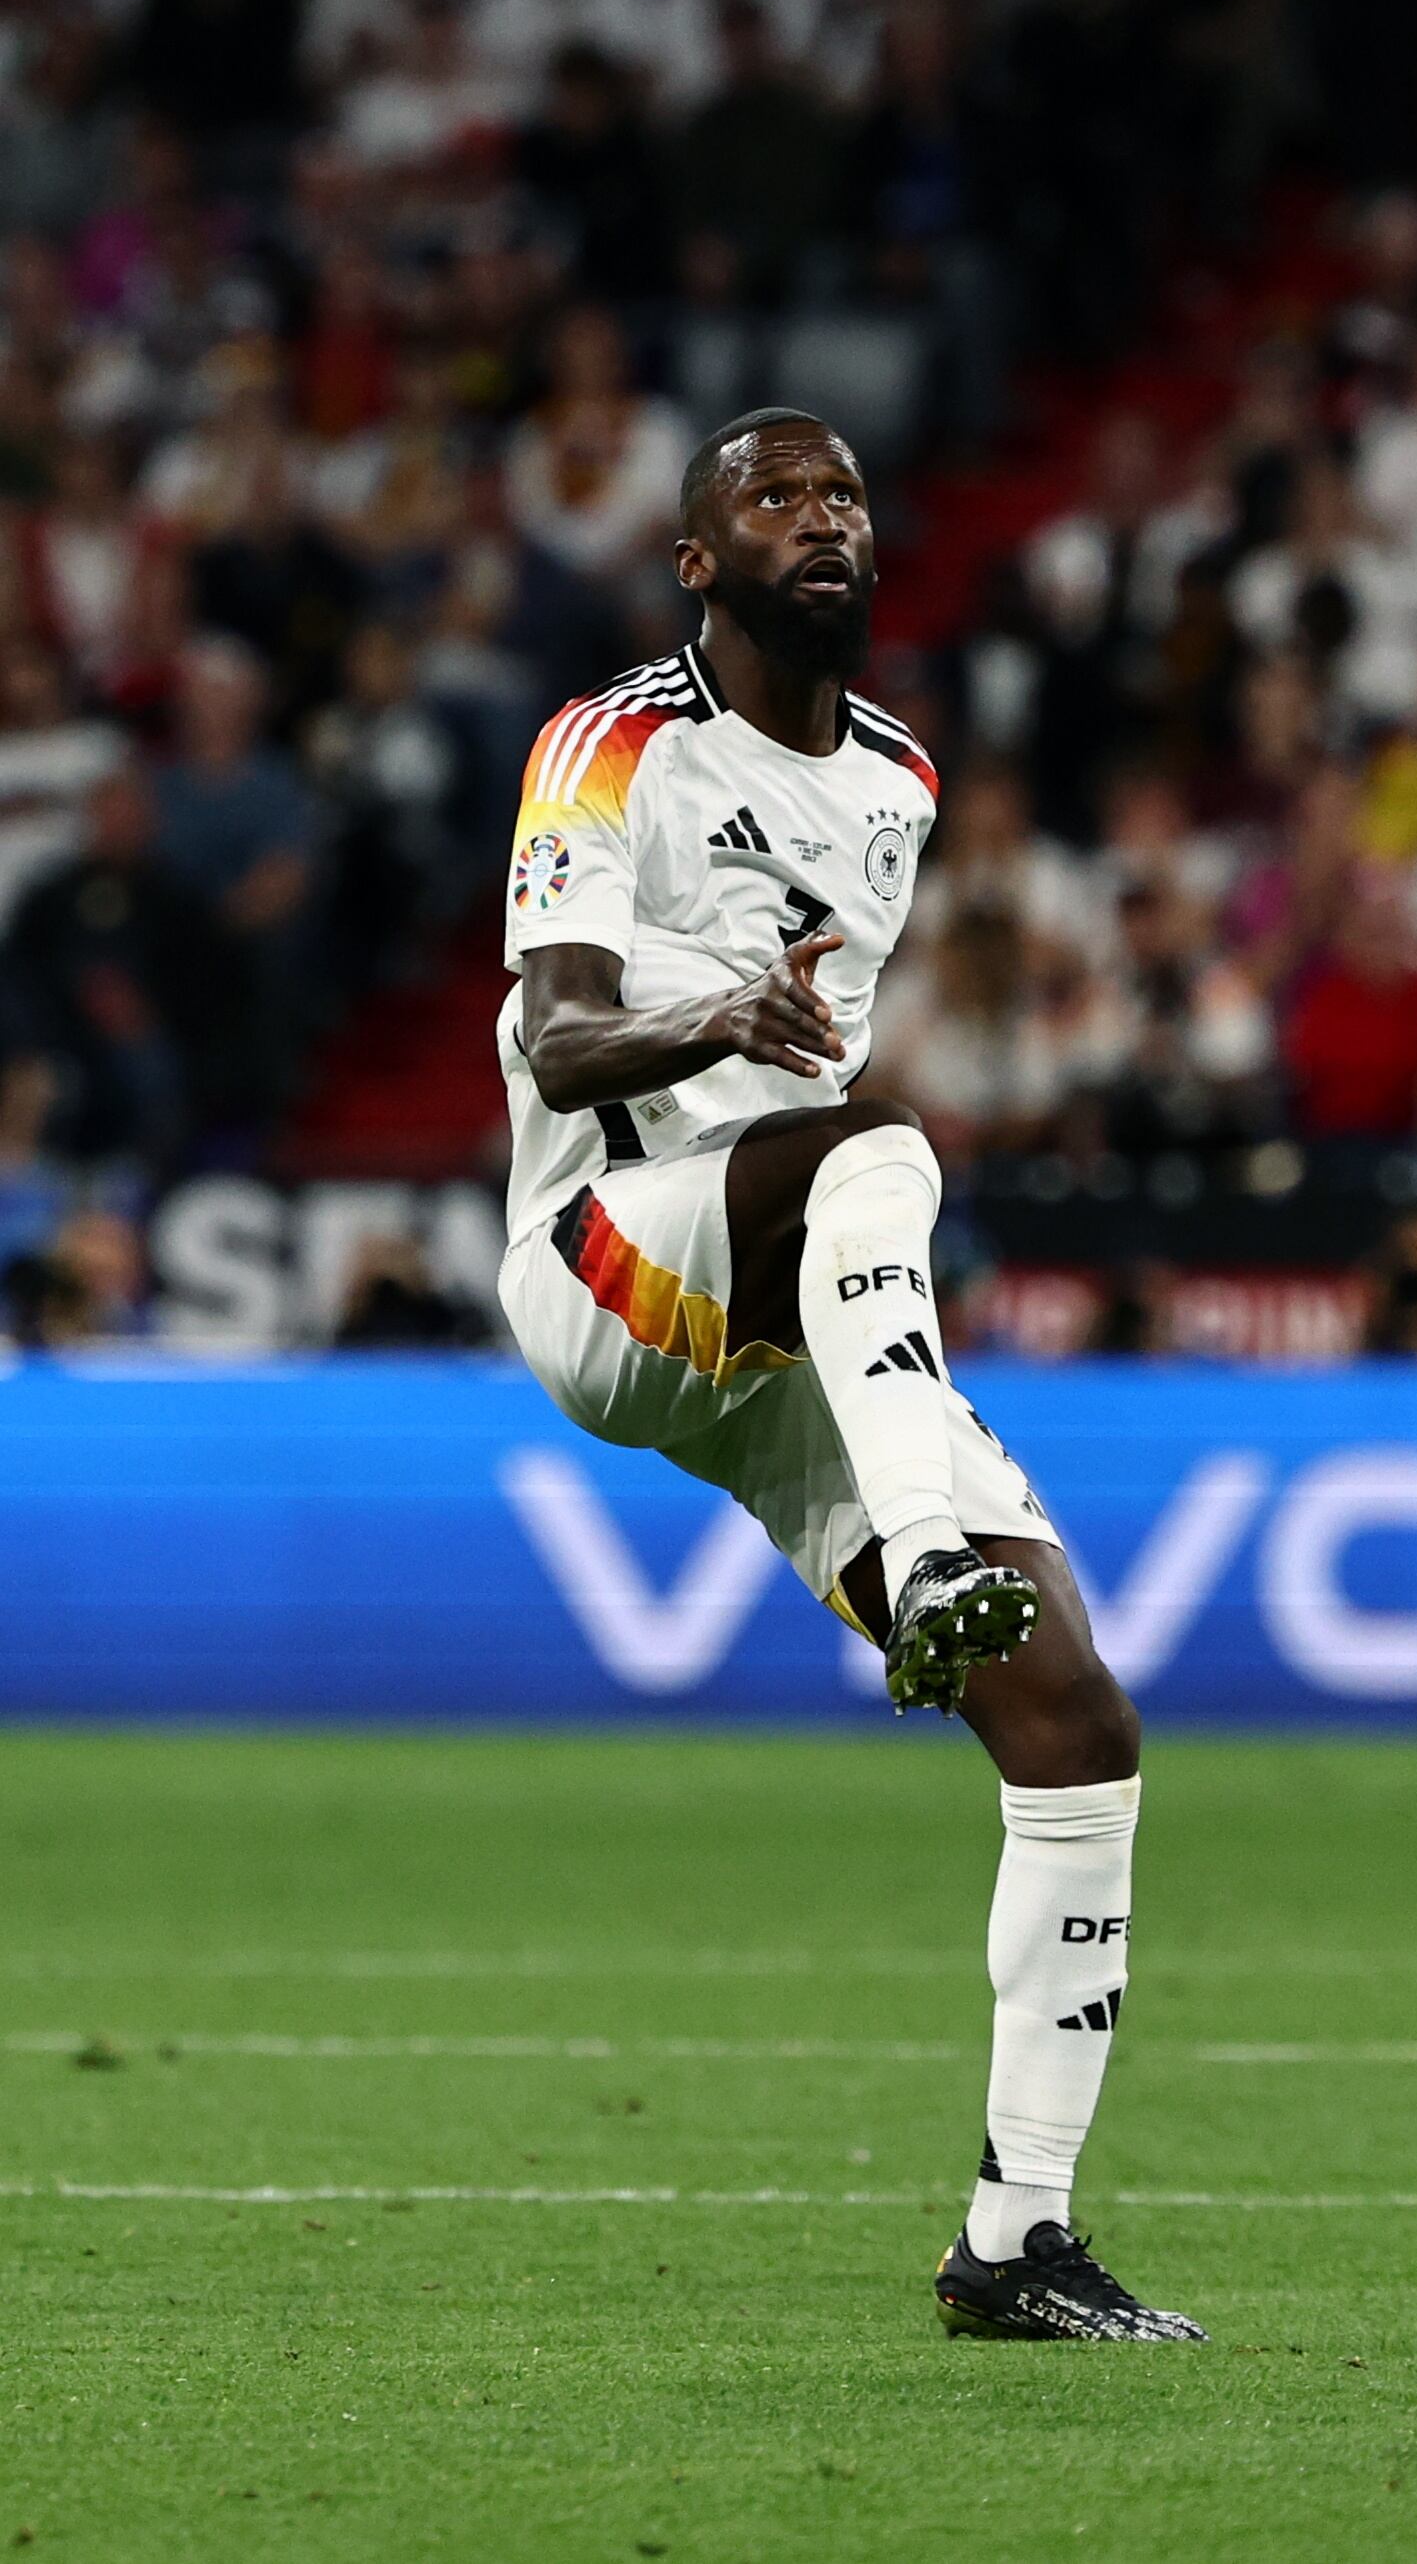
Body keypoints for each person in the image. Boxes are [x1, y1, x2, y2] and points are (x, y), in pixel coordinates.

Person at [496, 405, 1204, 2347]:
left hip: (794, 1310)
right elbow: (558, 1044)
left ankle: (1018, 2240)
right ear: (695, 563)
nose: (820, 517)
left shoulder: (897, 774)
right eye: (769, 497)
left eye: (843, 494)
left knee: (1077, 1724)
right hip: (611, 1256)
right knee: (882, 1146)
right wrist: (716, 1007)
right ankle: (925, 1537)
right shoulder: (608, 743)